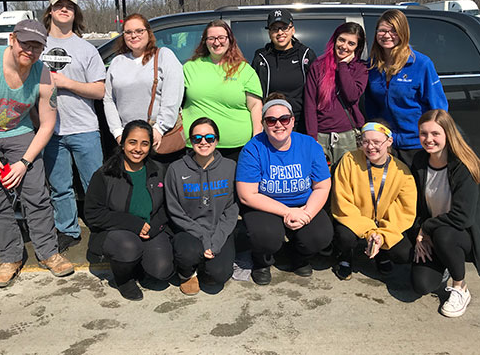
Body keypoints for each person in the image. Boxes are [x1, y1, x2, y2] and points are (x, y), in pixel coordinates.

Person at [0, 20, 74, 288]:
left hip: (20, 133)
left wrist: (24, 162)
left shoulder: (44, 75)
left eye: (37, 46)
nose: (30, 50)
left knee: (37, 196)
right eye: (25, 43)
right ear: (11, 40)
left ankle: (48, 252)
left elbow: (48, 123)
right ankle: (10, 257)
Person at [411, 109, 480, 318]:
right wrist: (419, 232)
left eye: (435, 133)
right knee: (421, 285)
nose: (429, 139)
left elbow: (462, 217)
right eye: (423, 133)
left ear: (448, 134)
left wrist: (426, 228)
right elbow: (416, 205)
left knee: (445, 235)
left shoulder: (464, 166)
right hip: (433, 232)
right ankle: (445, 261)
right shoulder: (419, 161)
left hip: (464, 235)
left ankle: (460, 287)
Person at [236, 94, 333, 285]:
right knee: (266, 235)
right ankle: (262, 261)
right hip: (265, 205)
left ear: (293, 121)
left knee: (320, 236)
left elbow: (322, 186)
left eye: (284, 119)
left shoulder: (309, 145)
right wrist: (288, 212)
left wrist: (307, 214)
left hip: (302, 203)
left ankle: (298, 255)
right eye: (271, 120)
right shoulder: (253, 148)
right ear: (263, 124)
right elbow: (247, 195)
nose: (278, 124)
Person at [41, 0, 106, 253]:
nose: (64, 9)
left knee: (95, 185)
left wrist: (66, 83)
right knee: (60, 187)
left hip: (84, 129)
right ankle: (68, 230)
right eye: (59, 5)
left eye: (69, 6)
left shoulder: (86, 49)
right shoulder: (37, 45)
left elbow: (100, 90)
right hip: (49, 131)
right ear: (50, 11)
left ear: (75, 13)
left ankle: (101, 229)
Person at [84, 120, 174, 301]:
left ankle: (140, 266)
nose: (138, 149)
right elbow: (93, 213)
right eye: (132, 142)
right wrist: (133, 223)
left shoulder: (159, 171)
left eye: (144, 143)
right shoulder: (104, 174)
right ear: (123, 143)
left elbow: (168, 206)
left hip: (149, 228)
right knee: (129, 248)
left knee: (162, 271)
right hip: (117, 232)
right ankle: (123, 278)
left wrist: (154, 226)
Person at [331, 121, 417, 280]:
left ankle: (381, 253)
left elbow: (404, 210)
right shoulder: (349, 160)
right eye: (365, 142)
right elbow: (343, 202)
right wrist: (369, 231)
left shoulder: (402, 172)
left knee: (404, 253)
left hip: (383, 224)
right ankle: (345, 256)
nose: (370, 147)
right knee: (345, 236)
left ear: (389, 141)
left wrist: (382, 235)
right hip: (354, 220)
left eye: (377, 142)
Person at [365, 9, 448, 168]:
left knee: (417, 184)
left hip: (416, 144)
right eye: (382, 30)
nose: (387, 35)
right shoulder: (372, 66)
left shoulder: (421, 64)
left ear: (403, 33)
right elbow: (371, 107)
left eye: (393, 31)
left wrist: (433, 140)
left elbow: (438, 108)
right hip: (385, 144)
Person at [165, 117, 238, 295]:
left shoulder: (231, 167)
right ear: (191, 142)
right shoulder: (176, 169)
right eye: (197, 138)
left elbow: (231, 209)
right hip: (189, 231)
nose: (203, 142)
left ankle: (204, 266)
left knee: (219, 274)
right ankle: (187, 273)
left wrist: (217, 241)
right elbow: (175, 211)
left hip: (218, 230)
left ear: (217, 140)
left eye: (209, 138)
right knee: (187, 253)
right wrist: (204, 237)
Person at [182, 19, 263, 162]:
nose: (216, 42)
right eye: (211, 38)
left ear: (230, 40)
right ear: (205, 41)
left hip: (237, 149)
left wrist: (256, 141)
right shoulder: (189, 68)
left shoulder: (245, 70)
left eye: (221, 38)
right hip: (198, 146)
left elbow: (256, 106)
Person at [104, 13, 184, 152]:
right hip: (128, 139)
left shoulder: (164, 56)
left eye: (139, 31)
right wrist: (118, 132)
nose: (133, 36)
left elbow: (173, 97)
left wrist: (159, 129)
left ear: (148, 33)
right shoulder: (117, 62)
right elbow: (109, 99)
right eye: (128, 32)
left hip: (158, 138)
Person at [304, 22, 368, 166]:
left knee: (347, 177)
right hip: (321, 136)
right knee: (321, 177)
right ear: (334, 40)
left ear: (357, 47)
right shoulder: (318, 66)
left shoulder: (360, 68)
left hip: (348, 136)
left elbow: (351, 96)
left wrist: (343, 66)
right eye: (341, 40)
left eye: (351, 43)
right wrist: (312, 138)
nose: (344, 46)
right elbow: (310, 104)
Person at [251, 9, 316, 132]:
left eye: (284, 28)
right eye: (275, 29)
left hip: (300, 125)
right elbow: (255, 97)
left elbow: (316, 93)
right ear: (269, 33)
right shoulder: (261, 58)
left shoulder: (305, 55)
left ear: (293, 29)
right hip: (272, 125)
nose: (280, 33)